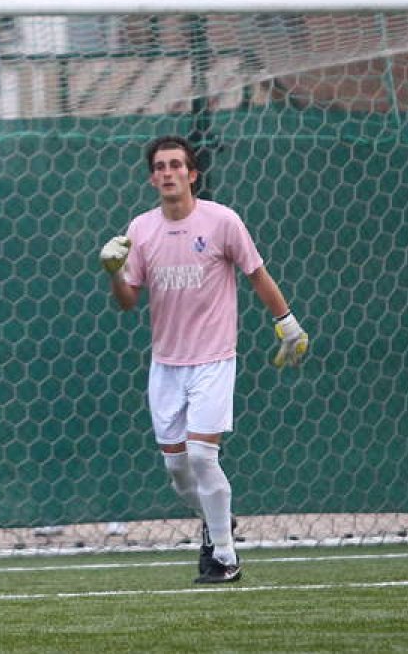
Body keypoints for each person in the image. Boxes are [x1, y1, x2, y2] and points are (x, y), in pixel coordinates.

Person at [99, 135, 310, 584]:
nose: (168, 172)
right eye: (160, 166)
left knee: (201, 456)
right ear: (152, 177)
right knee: (177, 471)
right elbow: (127, 302)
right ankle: (219, 524)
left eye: (177, 165)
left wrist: (288, 324)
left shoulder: (222, 222)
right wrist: (115, 272)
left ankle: (225, 557)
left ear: (192, 174)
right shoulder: (140, 229)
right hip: (166, 365)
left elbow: (256, 274)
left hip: (214, 359)